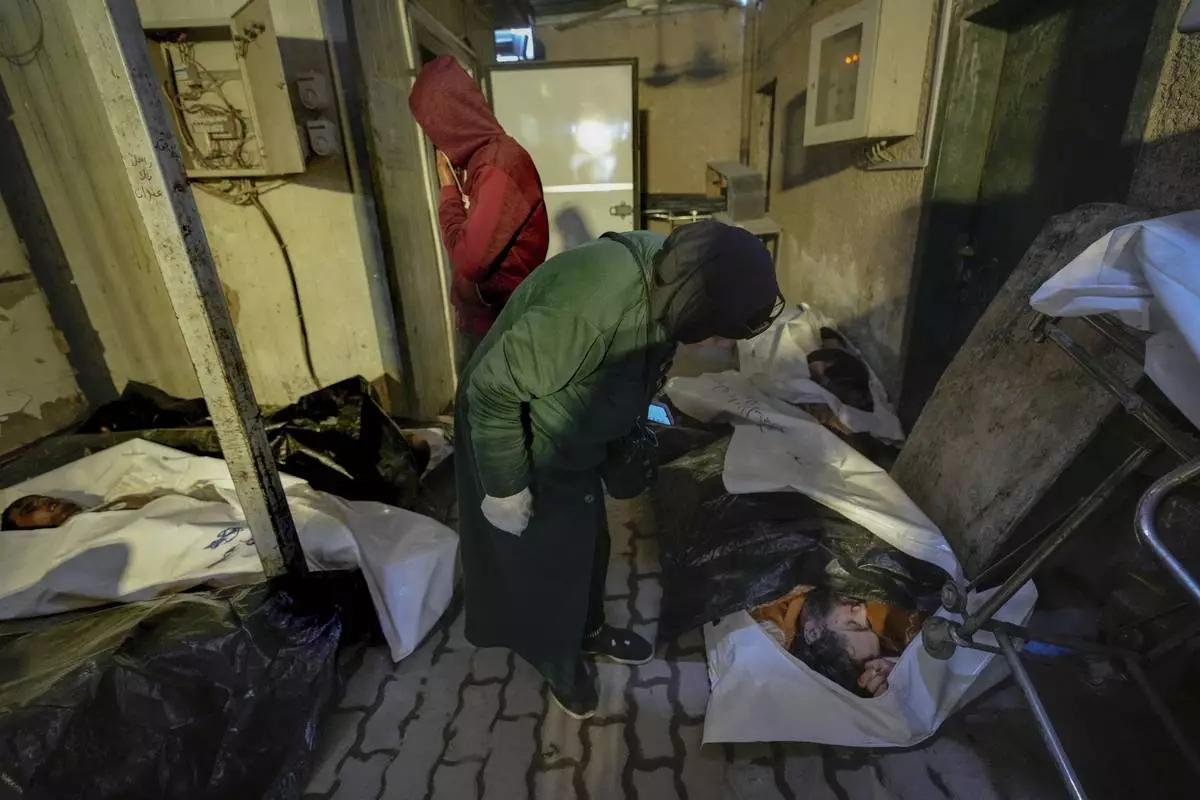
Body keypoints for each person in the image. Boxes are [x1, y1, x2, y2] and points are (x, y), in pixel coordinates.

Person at [456, 221, 782, 719]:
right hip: (517, 427)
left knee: (590, 540)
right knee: (546, 556)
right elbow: (493, 390)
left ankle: (586, 629)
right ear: (696, 301)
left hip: (570, 420)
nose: (717, 340)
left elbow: (637, 363)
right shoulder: (592, 311)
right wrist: (506, 488)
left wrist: (631, 431)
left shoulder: (672, 274)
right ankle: (557, 658)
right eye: (718, 329)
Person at [409, 54, 549, 356]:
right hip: (485, 322)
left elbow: (470, 260)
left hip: (500, 330)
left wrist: (447, 188)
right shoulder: (478, 162)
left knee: (485, 390)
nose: (434, 140)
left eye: (432, 128)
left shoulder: (500, 164)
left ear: (449, 119)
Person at [754, 585, 925, 698]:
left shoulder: (765, 613)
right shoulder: (895, 625)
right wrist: (905, 673)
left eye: (852, 624)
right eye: (868, 625)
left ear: (813, 632)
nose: (862, 610)